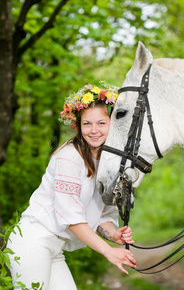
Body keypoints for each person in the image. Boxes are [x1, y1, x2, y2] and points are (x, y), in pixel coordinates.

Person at [7, 84, 136, 290]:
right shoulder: (69, 157)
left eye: (101, 123)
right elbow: (72, 218)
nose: (94, 131)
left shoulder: (108, 163)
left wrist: (114, 235)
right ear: (79, 125)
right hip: (32, 240)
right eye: (87, 124)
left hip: (56, 249)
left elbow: (103, 215)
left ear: (112, 123)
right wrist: (108, 251)